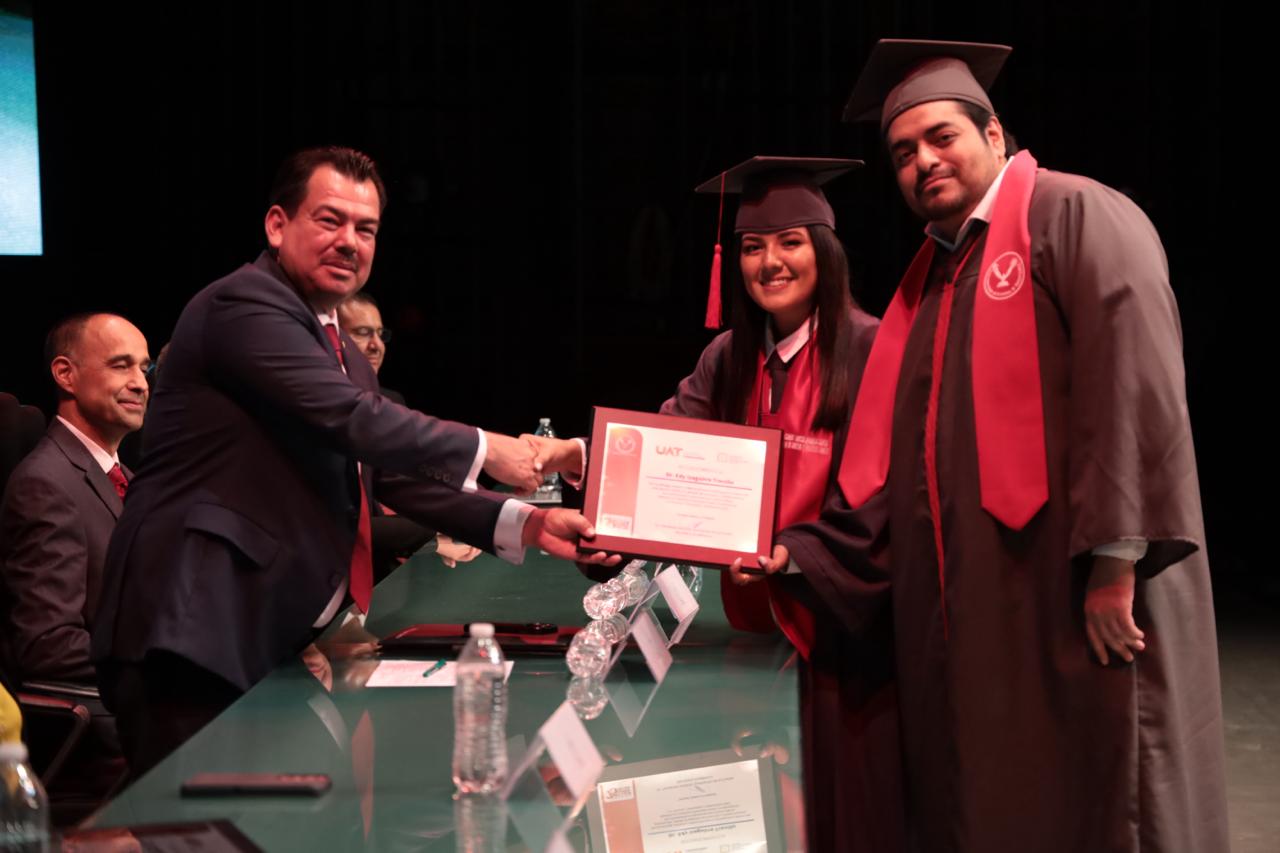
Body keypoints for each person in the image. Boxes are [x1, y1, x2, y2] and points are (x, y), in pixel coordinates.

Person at [759, 40, 1227, 852]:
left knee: (1105, 794)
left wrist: (1116, 561)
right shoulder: (935, 279)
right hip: (989, 607)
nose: (923, 161)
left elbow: (1134, 383)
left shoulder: (1076, 215)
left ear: (995, 133)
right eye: (904, 152)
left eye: (941, 136)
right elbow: (902, 464)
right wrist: (805, 555)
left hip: (1079, 590)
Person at [91, 146, 615, 776]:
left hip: (253, 631)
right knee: (195, 821)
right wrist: (489, 447)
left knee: (265, 818)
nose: (349, 241)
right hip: (190, 628)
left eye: (365, 229)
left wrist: (529, 523)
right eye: (329, 220)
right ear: (277, 225)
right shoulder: (243, 307)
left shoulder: (336, 343)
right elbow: (355, 419)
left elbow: (387, 473)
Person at [533, 157, 903, 850]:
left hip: (841, 638)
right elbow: (664, 447)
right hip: (750, 632)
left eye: (790, 242)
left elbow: (887, 494)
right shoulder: (729, 356)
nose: (770, 262)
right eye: (752, 246)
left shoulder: (875, 349)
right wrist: (603, 503)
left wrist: (795, 555)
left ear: (825, 249)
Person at [0, 312, 148, 811]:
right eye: (121, 365)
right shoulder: (45, 483)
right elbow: (48, 645)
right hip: (106, 737)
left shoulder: (127, 477)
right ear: (65, 374)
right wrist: (166, 661)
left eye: (144, 368)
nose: (140, 383)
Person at [337, 292, 482, 570]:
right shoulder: (313, 412)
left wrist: (465, 517)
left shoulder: (389, 402)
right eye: (362, 333)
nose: (376, 345)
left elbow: (412, 484)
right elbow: (340, 525)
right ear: (332, 338)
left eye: (381, 334)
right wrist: (435, 535)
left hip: (379, 563)